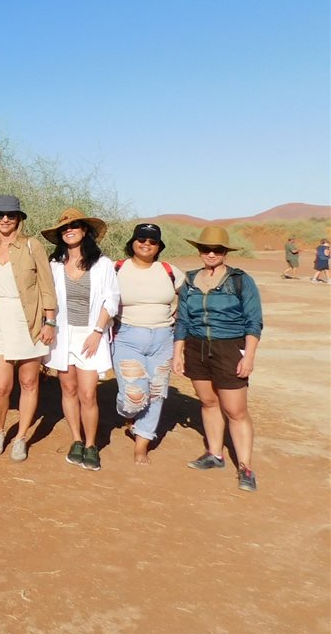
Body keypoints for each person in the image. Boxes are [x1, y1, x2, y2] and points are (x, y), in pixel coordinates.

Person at [175, 226, 263, 491]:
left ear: (225, 252)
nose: (211, 253)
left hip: (229, 347)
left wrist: (248, 356)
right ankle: (215, 454)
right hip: (196, 347)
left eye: (217, 249)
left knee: (236, 411)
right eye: (205, 249)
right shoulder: (189, 281)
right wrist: (178, 352)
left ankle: (245, 467)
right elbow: (182, 321)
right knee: (208, 401)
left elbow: (254, 321)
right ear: (199, 250)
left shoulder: (240, 280)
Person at [42, 208, 120, 473]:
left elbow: (112, 299)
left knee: (88, 393)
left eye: (74, 226)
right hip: (63, 335)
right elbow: (47, 299)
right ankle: (76, 438)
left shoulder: (102, 264)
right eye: (64, 227)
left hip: (90, 335)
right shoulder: (54, 266)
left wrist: (98, 332)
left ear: (85, 230)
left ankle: (91, 444)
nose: (69, 230)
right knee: (69, 390)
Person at [0, 195, 57, 462]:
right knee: (1, 386)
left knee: (28, 382)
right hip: (0, 320)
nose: (4, 220)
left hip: (30, 320)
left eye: (10, 215)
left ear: (19, 219)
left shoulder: (32, 246)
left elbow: (47, 286)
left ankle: (21, 436)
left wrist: (50, 321)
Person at [112, 223, 184, 465]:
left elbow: (189, 297)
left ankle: (141, 443)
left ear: (159, 246)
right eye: (141, 239)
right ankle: (128, 415)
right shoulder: (117, 269)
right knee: (134, 396)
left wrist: (179, 317)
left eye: (152, 241)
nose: (146, 244)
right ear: (132, 242)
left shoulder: (168, 270)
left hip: (163, 339)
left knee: (156, 393)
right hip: (127, 337)